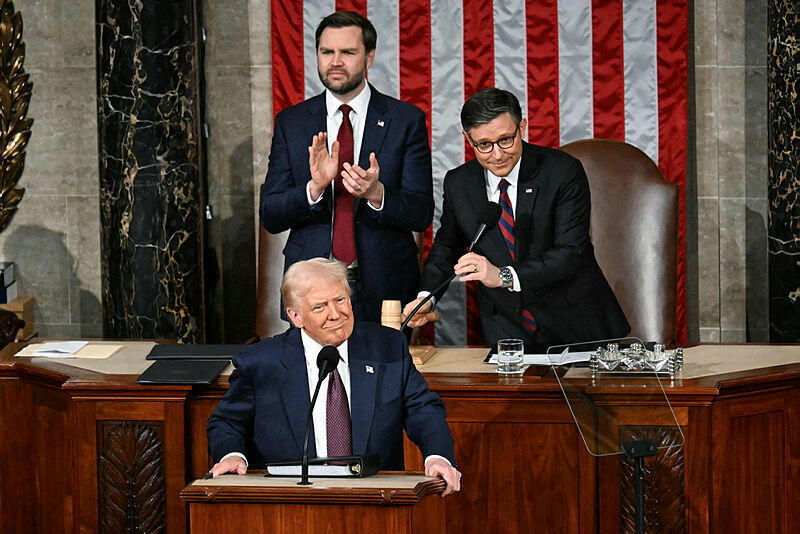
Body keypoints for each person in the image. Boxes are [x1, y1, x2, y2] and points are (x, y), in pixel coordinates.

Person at [207, 258, 461, 496]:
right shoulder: (261, 363)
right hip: (290, 502)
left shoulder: (387, 347)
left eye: (340, 300)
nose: (335, 314)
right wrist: (232, 456)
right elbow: (226, 422)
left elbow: (423, 409)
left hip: (375, 498)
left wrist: (437, 456)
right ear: (295, 316)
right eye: (320, 307)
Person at [403, 88, 629, 350]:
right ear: (468, 138)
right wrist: (426, 297)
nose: (497, 155)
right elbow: (447, 248)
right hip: (507, 331)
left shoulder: (562, 171)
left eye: (506, 140)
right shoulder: (459, 183)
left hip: (577, 326)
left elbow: (571, 252)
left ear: (522, 127)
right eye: (484, 145)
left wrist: (503, 276)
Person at [260, 11, 433, 324]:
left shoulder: (405, 120)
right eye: (327, 52)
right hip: (311, 287)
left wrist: (377, 194)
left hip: (386, 286)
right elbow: (271, 215)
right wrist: (313, 189)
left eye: (348, 52)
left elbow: (421, 212)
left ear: (369, 58)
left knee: (384, 373)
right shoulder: (292, 122)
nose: (335, 62)